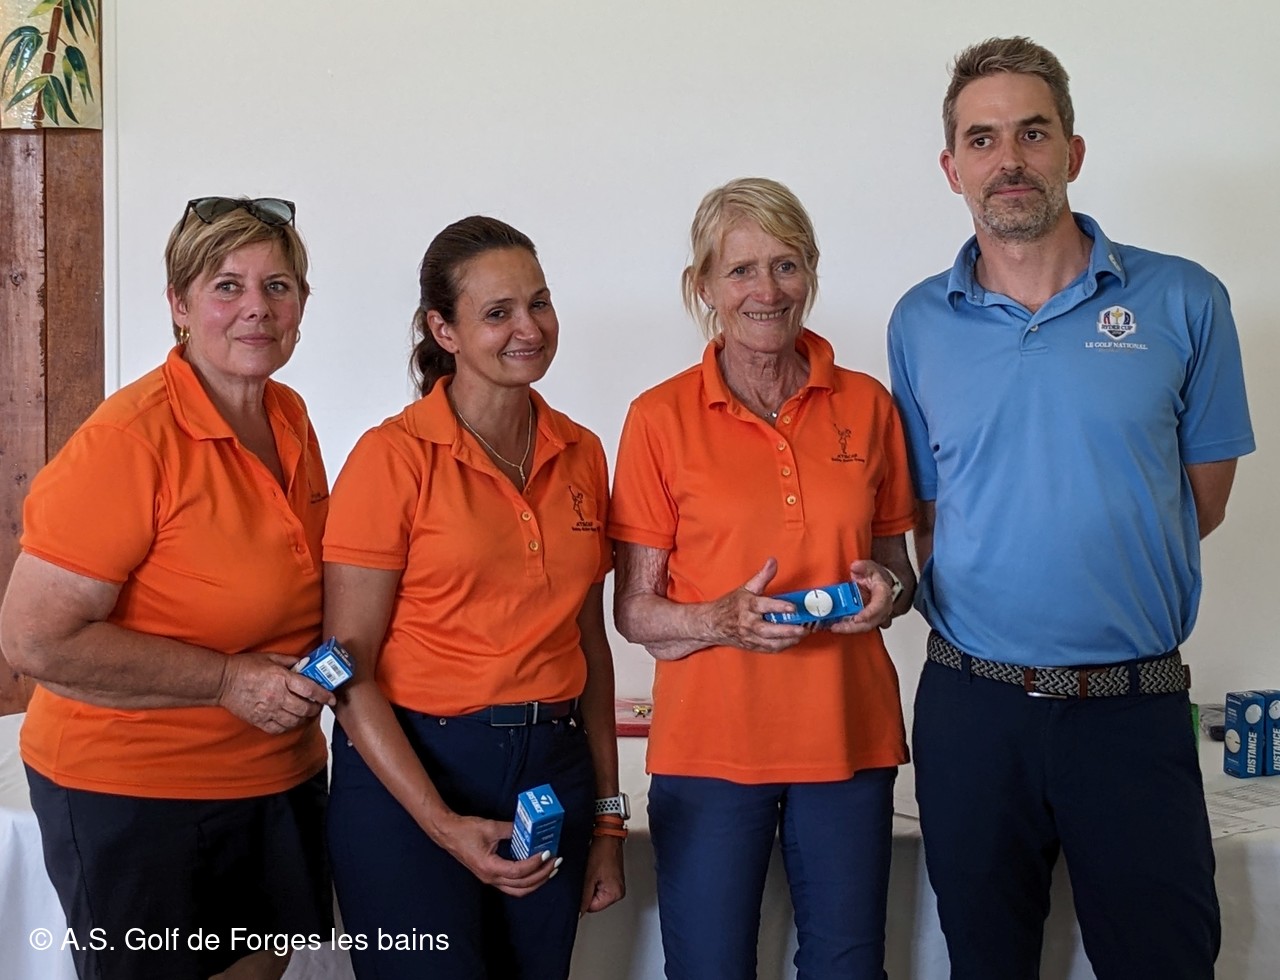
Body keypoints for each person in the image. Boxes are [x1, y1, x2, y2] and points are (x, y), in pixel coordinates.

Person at [887, 36, 1254, 980]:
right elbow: (929, 509)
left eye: (1032, 132)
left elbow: (1199, 502)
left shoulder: (1184, 300)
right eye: (981, 139)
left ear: (1073, 152)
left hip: (1131, 708)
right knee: (986, 962)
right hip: (973, 711)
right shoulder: (919, 322)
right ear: (952, 168)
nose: (1008, 159)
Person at [0, 196, 334, 980]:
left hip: (274, 771)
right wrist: (226, 681)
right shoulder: (128, 441)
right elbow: (33, 640)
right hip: (135, 790)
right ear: (179, 305)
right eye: (227, 286)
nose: (257, 308)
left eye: (278, 286)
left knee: (260, 968)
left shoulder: (287, 415)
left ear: (301, 304)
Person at [610, 177, 917, 980]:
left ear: (811, 271)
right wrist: (719, 619)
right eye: (741, 269)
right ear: (703, 285)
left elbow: (900, 571)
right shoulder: (658, 418)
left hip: (847, 737)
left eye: (786, 265)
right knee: (709, 968)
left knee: (849, 966)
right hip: (710, 746)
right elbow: (635, 611)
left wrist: (888, 595)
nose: (766, 290)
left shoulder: (869, 406)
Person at [323, 215, 625, 980]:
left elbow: (589, 645)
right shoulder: (390, 458)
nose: (529, 328)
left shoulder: (582, 452)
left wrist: (608, 822)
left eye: (539, 303)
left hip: (550, 768)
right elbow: (344, 668)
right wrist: (440, 822)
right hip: (412, 773)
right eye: (497, 312)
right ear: (443, 330)